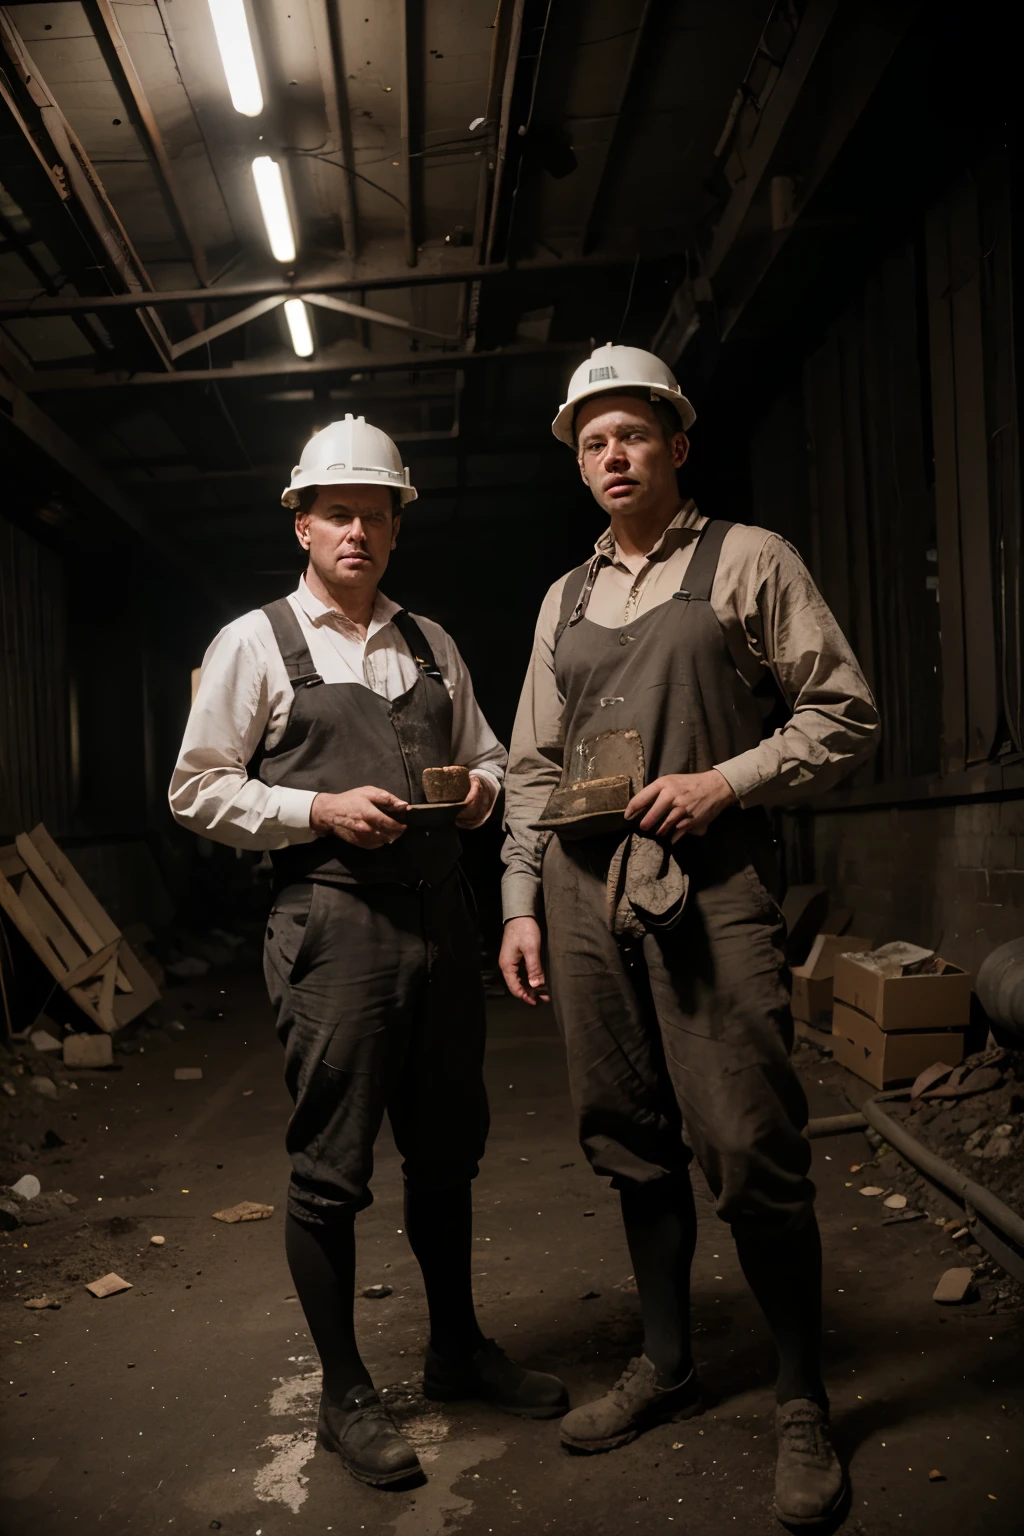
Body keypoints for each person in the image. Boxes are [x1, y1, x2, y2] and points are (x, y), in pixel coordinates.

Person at [499, 347, 880, 1527]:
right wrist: (518, 900)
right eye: (591, 443)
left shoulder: (748, 559)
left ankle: (801, 1399)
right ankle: (665, 1363)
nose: (613, 457)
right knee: (626, 1134)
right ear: (579, 460)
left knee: (751, 1143)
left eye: (632, 436)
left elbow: (843, 713)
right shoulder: (562, 599)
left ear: (675, 442)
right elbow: (530, 766)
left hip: (708, 887)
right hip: (578, 889)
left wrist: (726, 780)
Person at [170, 415, 567, 1491]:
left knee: (446, 1152)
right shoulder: (256, 642)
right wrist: (314, 808)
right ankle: (346, 1395)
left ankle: (454, 1350)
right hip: (332, 922)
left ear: (396, 528)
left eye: (375, 514)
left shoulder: (430, 643)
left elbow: (486, 756)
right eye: (336, 511)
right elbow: (197, 786)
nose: (357, 530)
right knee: (331, 1172)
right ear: (301, 523)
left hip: (441, 921)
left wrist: (481, 791)